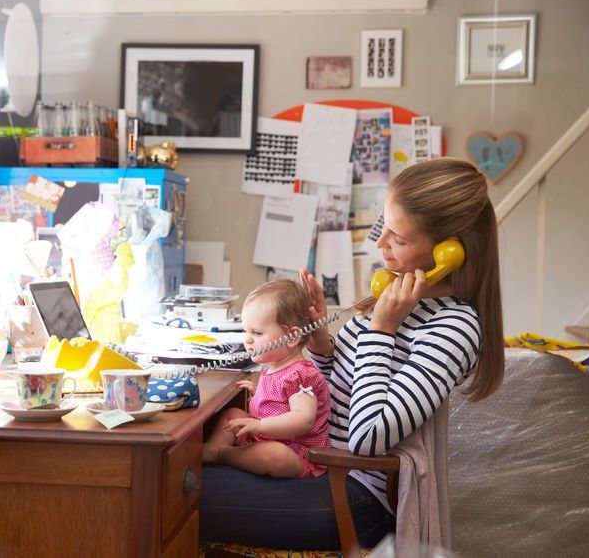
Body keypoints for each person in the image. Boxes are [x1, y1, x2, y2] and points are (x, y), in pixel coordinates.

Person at [200, 158, 504, 549]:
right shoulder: (394, 297)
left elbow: (365, 437)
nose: (380, 245)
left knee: (180, 491)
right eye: (384, 228)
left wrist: (382, 329)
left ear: (450, 251)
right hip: (317, 465)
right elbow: (339, 397)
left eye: (399, 238)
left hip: (355, 494)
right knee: (178, 470)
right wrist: (323, 344)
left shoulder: (453, 328)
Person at [202, 278, 330, 479]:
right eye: (247, 331)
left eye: (257, 332)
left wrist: (260, 425)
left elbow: (303, 419)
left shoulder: (302, 374)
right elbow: (280, 401)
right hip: (264, 437)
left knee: (274, 455)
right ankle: (213, 449)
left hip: (295, 453)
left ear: (291, 337)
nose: (248, 340)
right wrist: (257, 392)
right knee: (233, 414)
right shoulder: (274, 366)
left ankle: (222, 454)